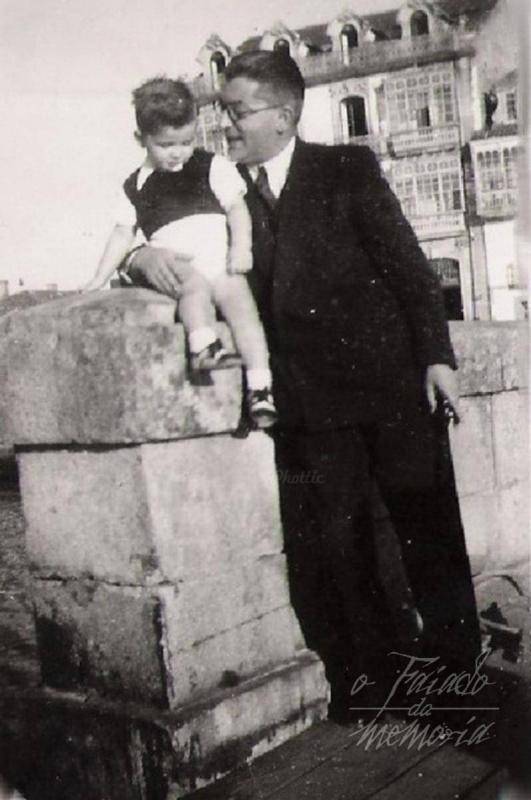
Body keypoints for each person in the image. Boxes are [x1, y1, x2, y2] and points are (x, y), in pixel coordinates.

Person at [123, 52, 482, 723]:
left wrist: (437, 358)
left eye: (237, 111)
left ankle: (458, 682)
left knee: (426, 532)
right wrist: (140, 256)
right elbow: (150, 227)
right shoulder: (216, 184)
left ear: (284, 116)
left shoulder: (344, 168)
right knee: (340, 550)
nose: (225, 124)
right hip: (307, 401)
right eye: (221, 111)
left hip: (390, 388)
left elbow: (407, 266)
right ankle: (374, 683)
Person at [84, 76, 277, 429]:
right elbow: (123, 233)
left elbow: (236, 209)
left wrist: (241, 248)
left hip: (222, 263)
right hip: (180, 265)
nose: (178, 152)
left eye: (186, 142)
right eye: (165, 144)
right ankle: (202, 344)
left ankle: (260, 387)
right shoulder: (135, 185)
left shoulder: (211, 166)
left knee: (245, 312)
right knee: (192, 288)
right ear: (141, 139)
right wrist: (99, 277)